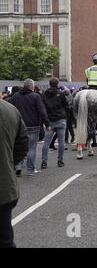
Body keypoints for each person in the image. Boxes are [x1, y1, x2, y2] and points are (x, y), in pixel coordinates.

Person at [0, 99, 28, 248]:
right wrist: (8, 164)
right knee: (5, 240)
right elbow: (22, 144)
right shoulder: (10, 109)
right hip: (4, 187)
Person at [9, 79, 50, 176]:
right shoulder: (35, 96)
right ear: (32, 86)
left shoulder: (15, 96)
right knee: (31, 148)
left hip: (19, 125)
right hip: (33, 125)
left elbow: (10, 109)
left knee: (18, 146)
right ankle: (30, 169)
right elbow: (42, 111)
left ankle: (18, 166)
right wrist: (47, 124)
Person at [41, 78, 68, 169]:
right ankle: (60, 161)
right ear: (57, 84)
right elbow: (66, 105)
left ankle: (44, 162)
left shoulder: (44, 94)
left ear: (49, 84)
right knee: (61, 142)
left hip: (50, 121)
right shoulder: (61, 94)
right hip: (60, 119)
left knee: (46, 143)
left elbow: (42, 107)